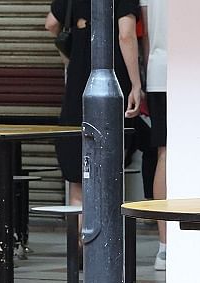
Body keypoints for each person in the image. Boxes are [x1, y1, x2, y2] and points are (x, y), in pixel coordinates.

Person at [45, 0, 143, 219]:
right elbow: (125, 34)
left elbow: (51, 23)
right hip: (111, 79)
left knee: (78, 174)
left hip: (77, 81)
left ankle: (80, 247)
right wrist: (136, 84)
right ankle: (106, 244)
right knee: (108, 169)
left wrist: (69, 60)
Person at [140, 0, 168, 271]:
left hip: (159, 71)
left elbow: (146, 33)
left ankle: (165, 246)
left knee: (165, 153)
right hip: (199, 73)